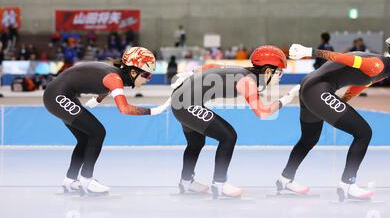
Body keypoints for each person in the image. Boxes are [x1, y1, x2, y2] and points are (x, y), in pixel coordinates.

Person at [282, 33, 390, 201]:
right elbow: (342, 58)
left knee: (309, 139)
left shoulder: (382, 68)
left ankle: (285, 179)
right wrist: (309, 51)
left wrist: (337, 105)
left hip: (310, 87)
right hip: (316, 90)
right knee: (364, 133)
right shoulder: (377, 65)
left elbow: (355, 88)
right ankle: (347, 184)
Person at [170, 45, 300, 198]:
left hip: (181, 101)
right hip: (185, 104)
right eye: (280, 71)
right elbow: (263, 113)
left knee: (196, 143)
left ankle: (186, 183)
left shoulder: (244, 72)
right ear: (267, 71)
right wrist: (286, 99)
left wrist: (191, 72)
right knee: (228, 136)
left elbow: (212, 66)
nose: (281, 75)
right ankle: (219, 184)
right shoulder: (248, 81)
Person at [43, 47, 170, 196]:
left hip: (61, 94)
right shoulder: (115, 78)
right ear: (133, 72)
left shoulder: (116, 76)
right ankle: (86, 180)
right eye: (147, 75)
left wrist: (96, 100)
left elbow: (104, 86)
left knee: (85, 138)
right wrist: (155, 111)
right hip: (57, 96)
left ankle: (69, 182)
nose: (149, 79)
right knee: (97, 132)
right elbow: (124, 109)